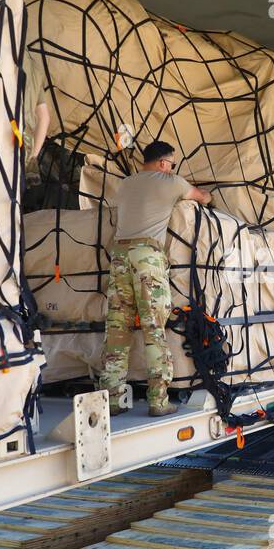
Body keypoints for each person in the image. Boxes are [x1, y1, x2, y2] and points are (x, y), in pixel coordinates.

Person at [99, 141, 211, 417]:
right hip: (147, 258)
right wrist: (204, 193)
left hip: (119, 258)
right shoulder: (171, 182)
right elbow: (202, 197)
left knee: (117, 329)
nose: (172, 168)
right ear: (163, 163)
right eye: (171, 163)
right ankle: (158, 400)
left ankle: (112, 399)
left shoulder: (124, 184)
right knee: (154, 329)